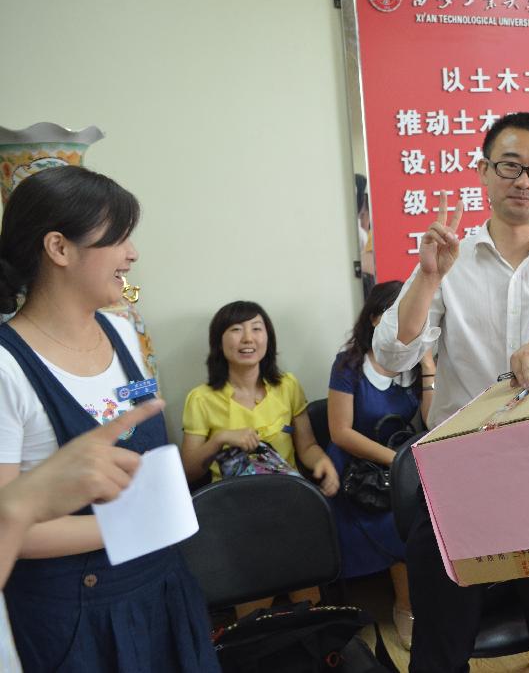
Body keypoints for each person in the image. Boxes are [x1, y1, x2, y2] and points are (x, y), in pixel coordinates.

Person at [372, 111, 529, 673]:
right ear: (483, 171)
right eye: (509, 165)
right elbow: (390, 356)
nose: (524, 180)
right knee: (440, 648)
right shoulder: (448, 261)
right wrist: (428, 277)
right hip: (457, 475)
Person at [0, 165, 219, 672]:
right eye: (118, 237)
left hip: (162, 584)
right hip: (75, 616)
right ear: (59, 248)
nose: (133, 253)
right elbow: (8, 524)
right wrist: (136, 523)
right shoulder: (8, 368)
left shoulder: (121, 331)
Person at [181, 300, 339, 616]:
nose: (248, 338)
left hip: (289, 504)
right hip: (235, 513)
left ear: (268, 338)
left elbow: (307, 446)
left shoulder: (287, 386)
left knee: (309, 600)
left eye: (256, 328)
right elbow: (187, 472)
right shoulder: (201, 398)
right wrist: (220, 439)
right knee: (254, 610)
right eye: (235, 330)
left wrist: (323, 462)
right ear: (219, 341)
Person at [0, 400, 162, 673]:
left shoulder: (138, 372)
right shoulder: (10, 382)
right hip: (75, 602)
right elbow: (17, 530)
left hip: (157, 581)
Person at [327, 279, 433, 649]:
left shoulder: (415, 365)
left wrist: (429, 366)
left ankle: (418, 604)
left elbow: (432, 420)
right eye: (398, 315)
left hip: (398, 461)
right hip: (355, 468)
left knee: (426, 513)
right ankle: (400, 607)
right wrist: (398, 463)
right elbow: (340, 432)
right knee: (394, 519)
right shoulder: (350, 364)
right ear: (375, 319)